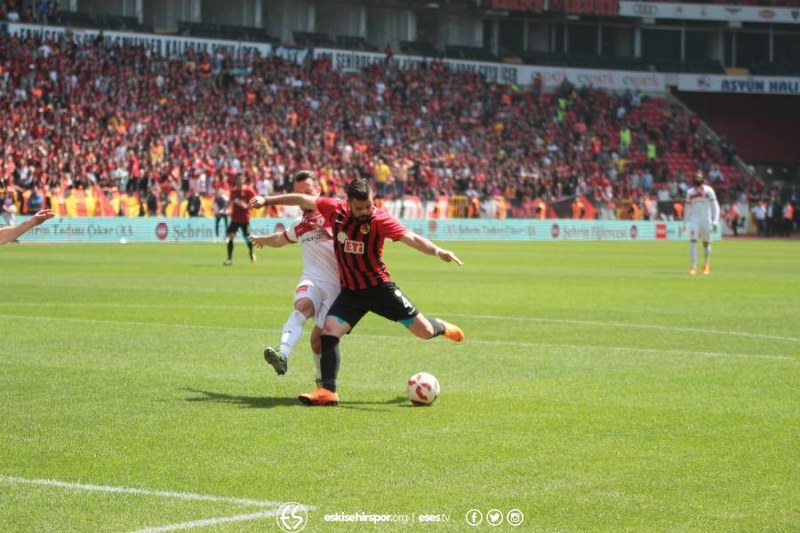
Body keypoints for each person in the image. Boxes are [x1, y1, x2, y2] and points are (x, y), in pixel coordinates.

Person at [250, 177, 464, 406]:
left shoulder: (379, 218)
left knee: (425, 331)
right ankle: (328, 391)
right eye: (359, 207)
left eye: (368, 205)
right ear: (348, 202)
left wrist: (437, 250)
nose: (365, 211)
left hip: (380, 289)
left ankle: (440, 327)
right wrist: (267, 200)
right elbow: (302, 198)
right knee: (328, 332)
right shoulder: (334, 210)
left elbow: (410, 237)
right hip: (351, 293)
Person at [250, 171, 339, 383]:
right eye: (299, 193)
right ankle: (283, 354)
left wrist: (334, 237)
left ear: (318, 190)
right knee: (302, 306)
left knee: (317, 340)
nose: (303, 198)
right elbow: (281, 239)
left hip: (337, 286)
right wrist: (263, 239)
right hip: (312, 278)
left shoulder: (335, 214)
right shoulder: (299, 224)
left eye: (307, 192)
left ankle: (321, 380)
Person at [683, 170, 720, 275]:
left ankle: (706, 264)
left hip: (706, 220)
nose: (697, 179)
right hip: (694, 220)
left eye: (699, 177)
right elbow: (687, 208)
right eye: (696, 177)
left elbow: (715, 206)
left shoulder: (709, 191)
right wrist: (684, 222)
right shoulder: (690, 192)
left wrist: (715, 220)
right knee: (693, 242)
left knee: (706, 243)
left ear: (703, 178)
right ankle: (693, 266)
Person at [224, 173, 256, 265]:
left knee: (247, 238)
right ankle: (229, 259)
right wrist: (224, 210)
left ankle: (251, 252)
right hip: (235, 219)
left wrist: (246, 206)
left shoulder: (249, 190)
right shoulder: (233, 191)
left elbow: (256, 201)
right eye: (237, 179)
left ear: (244, 179)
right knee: (230, 237)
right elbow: (230, 201)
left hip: (245, 219)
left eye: (241, 179)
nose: (239, 181)